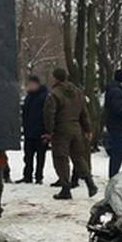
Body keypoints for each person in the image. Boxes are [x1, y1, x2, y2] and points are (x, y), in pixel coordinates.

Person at [43, 68, 98, 200]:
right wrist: (87, 129)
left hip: (61, 130)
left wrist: (49, 131)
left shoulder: (54, 94)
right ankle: (90, 183)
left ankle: (65, 188)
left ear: (55, 78)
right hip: (76, 129)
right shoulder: (78, 92)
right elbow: (84, 112)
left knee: (61, 159)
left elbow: (49, 114)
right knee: (78, 158)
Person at [15, 75, 49, 184]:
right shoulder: (29, 97)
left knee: (40, 156)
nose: (27, 86)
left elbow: (47, 114)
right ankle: (27, 176)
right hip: (29, 131)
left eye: (29, 84)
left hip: (40, 132)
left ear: (36, 84)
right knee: (28, 156)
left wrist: (47, 130)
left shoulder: (44, 97)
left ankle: (39, 176)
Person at [104, 69, 122, 178]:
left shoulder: (115, 89)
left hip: (116, 125)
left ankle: (114, 174)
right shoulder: (116, 91)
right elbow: (117, 108)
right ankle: (114, 175)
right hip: (117, 126)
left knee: (117, 153)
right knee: (117, 153)